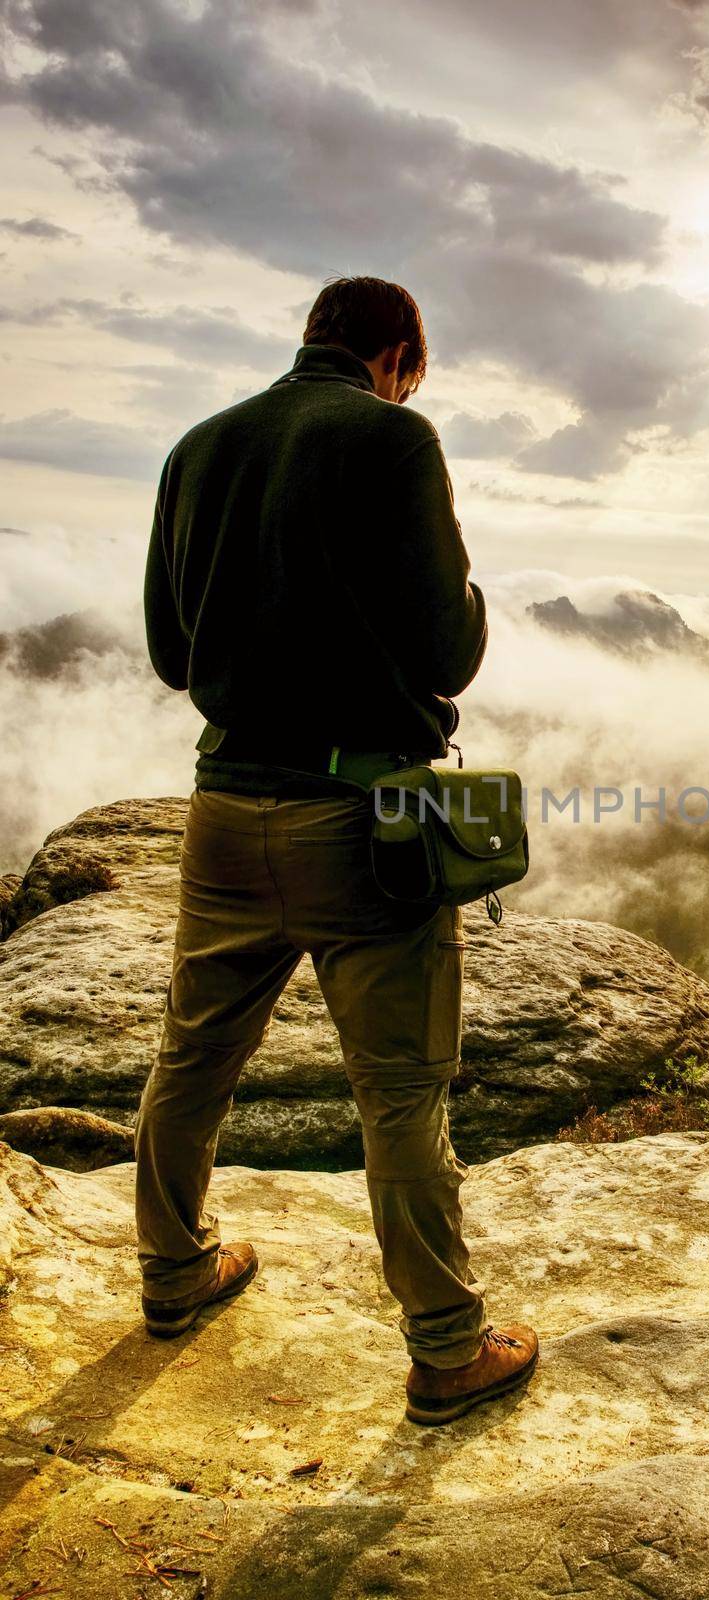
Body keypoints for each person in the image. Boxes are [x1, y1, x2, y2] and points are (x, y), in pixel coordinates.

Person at [136, 275, 538, 1425]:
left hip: (223, 809)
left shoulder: (198, 445)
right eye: (417, 368)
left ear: (311, 336)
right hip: (361, 825)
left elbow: (173, 653)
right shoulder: (394, 438)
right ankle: (449, 1349)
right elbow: (445, 650)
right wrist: (469, 597)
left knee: (193, 1056)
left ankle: (173, 1277)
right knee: (402, 1092)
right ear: (399, 354)